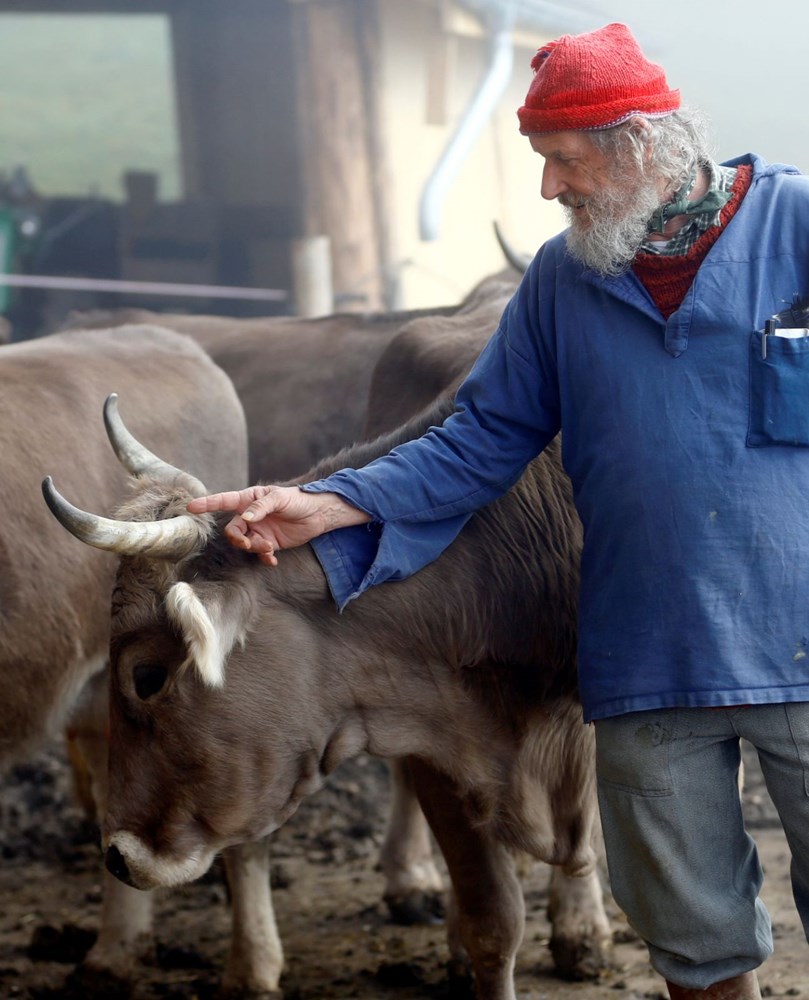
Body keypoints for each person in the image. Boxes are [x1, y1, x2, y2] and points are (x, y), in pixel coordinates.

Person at [187, 22, 809, 1000]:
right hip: (650, 658)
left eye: (562, 162)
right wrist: (325, 502)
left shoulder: (794, 228)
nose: (546, 189)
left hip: (801, 643)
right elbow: (477, 438)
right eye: (541, 163)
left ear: (640, 145)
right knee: (690, 939)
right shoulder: (564, 282)